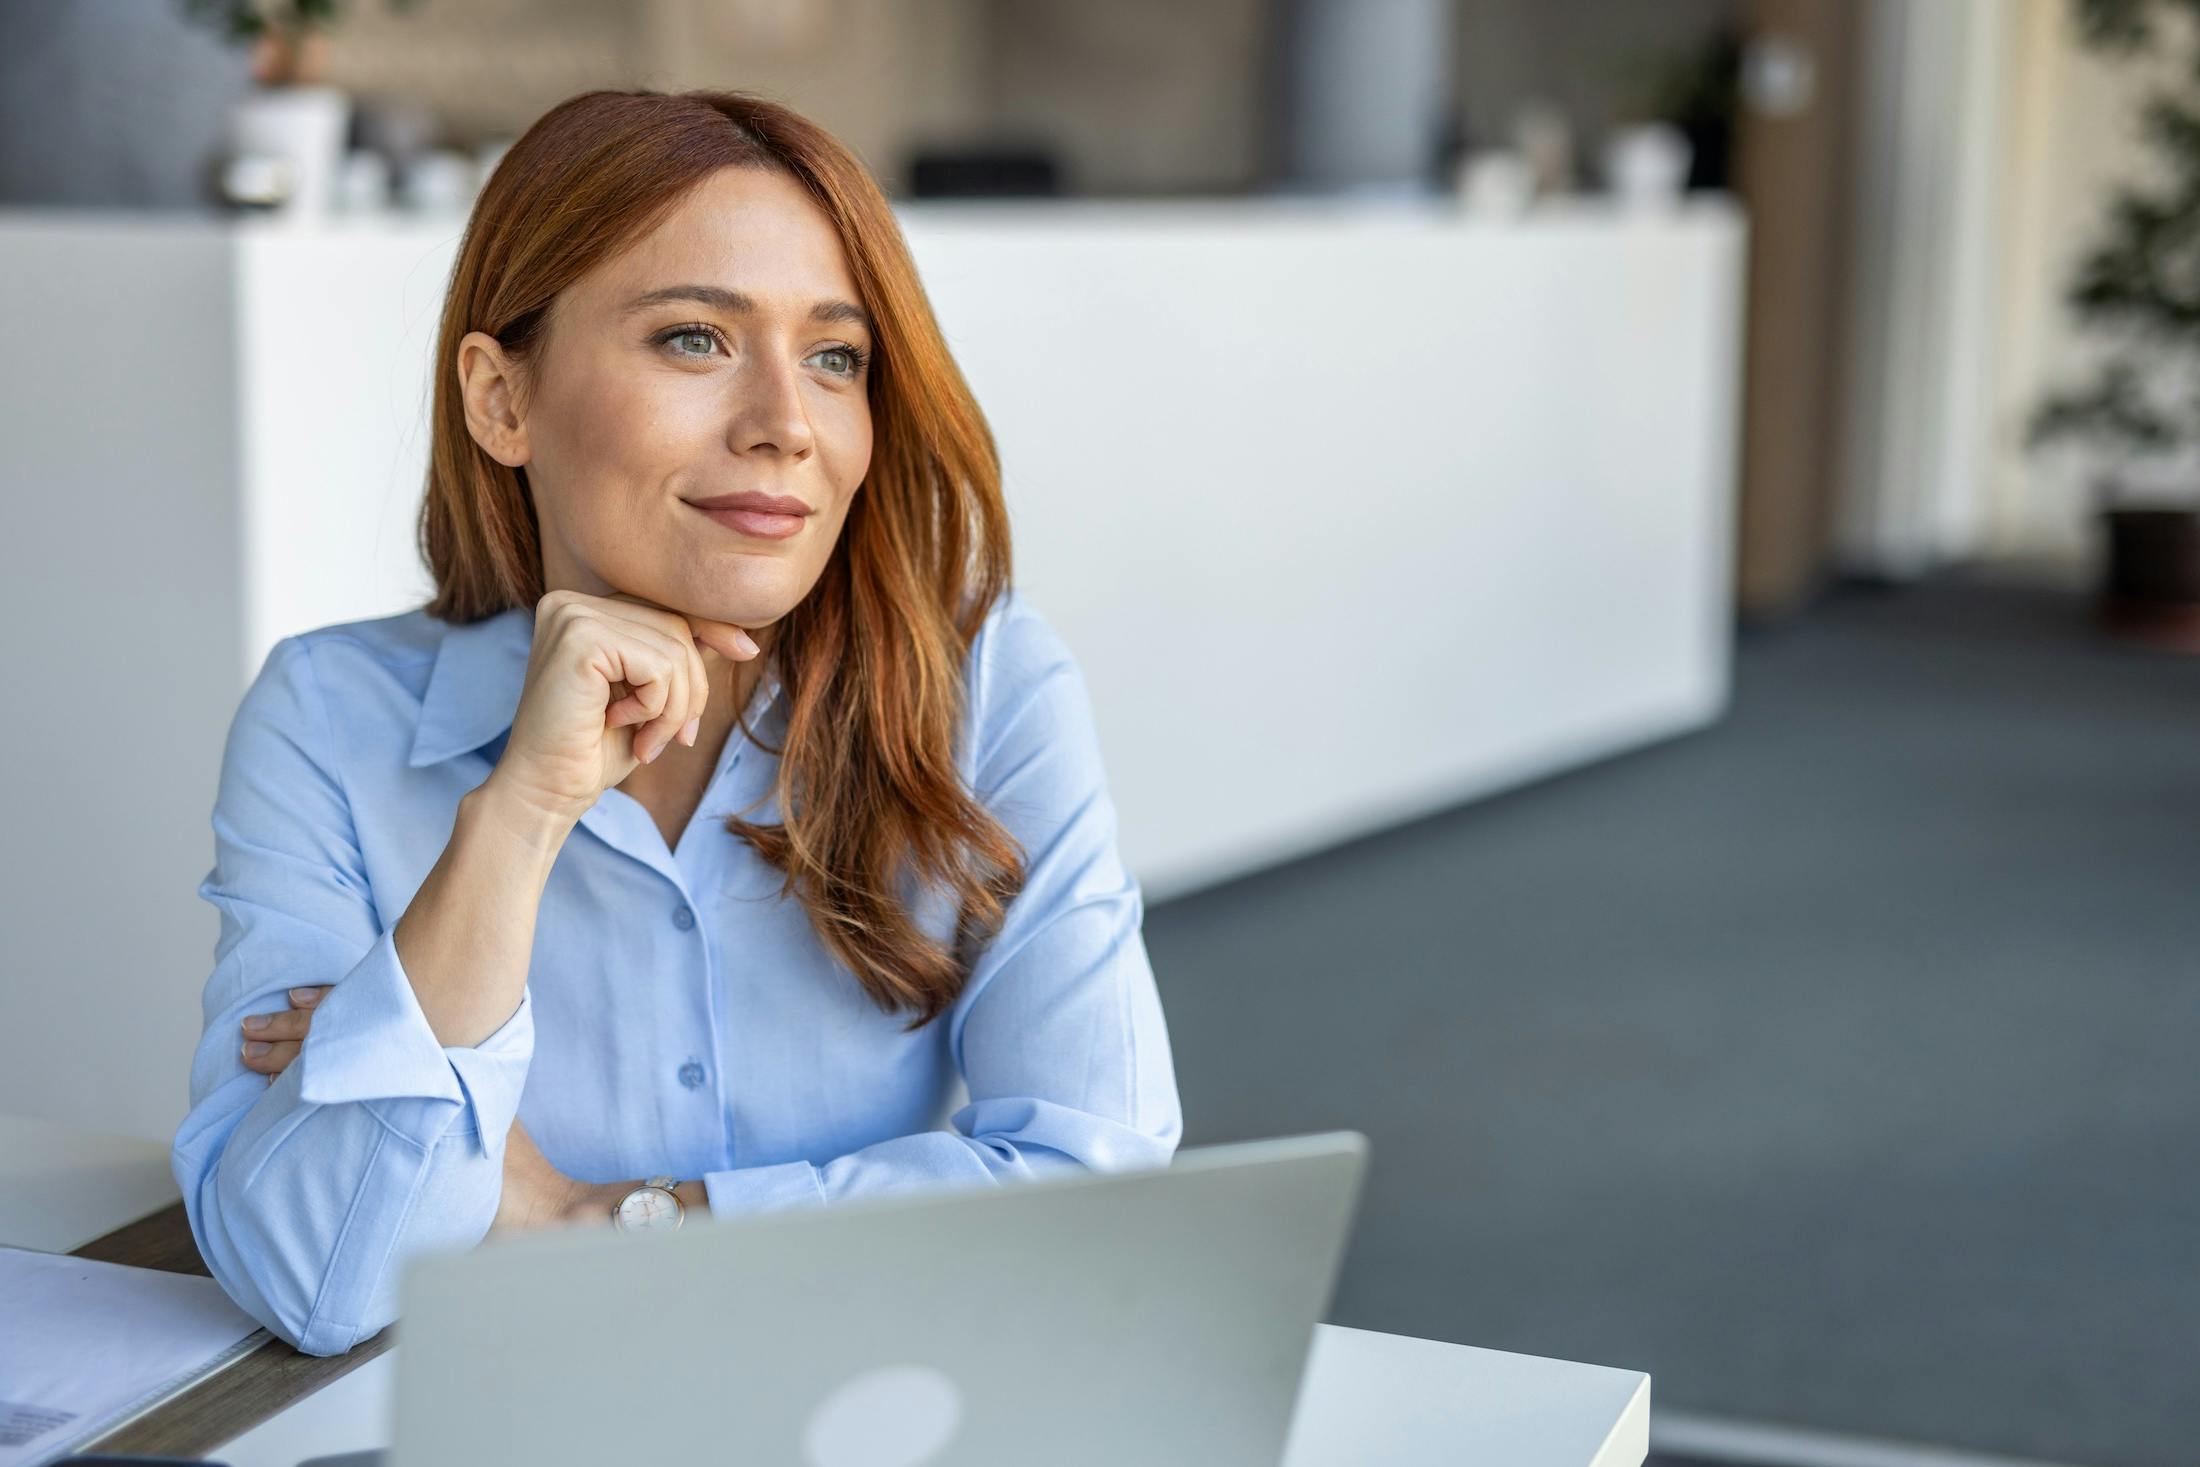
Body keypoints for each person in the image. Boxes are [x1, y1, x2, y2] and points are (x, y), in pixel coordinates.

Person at [171, 88, 1183, 1358]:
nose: (786, 426)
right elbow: (315, 1279)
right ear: (500, 400)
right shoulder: (326, 720)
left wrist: (589, 1221)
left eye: (835, 358)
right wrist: (519, 817)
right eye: (695, 339)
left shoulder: (984, 683)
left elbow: (1100, 1196)